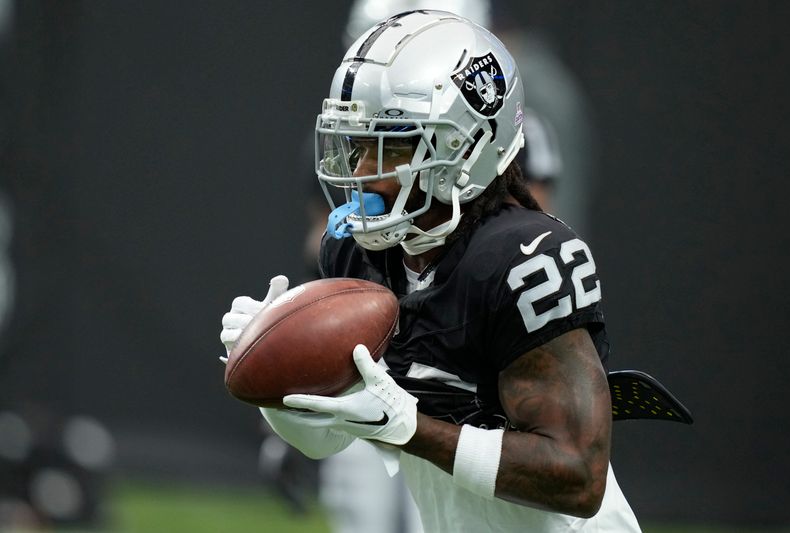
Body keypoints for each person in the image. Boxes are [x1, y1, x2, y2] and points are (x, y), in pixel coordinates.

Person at [221, 10, 641, 532]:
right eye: (356, 145)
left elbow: (577, 478)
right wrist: (278, 367)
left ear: (463, 148)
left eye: (391, 144)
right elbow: (329, 435)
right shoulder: (361, 254)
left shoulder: (522, 259)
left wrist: (412, 429)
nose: (360, 173)